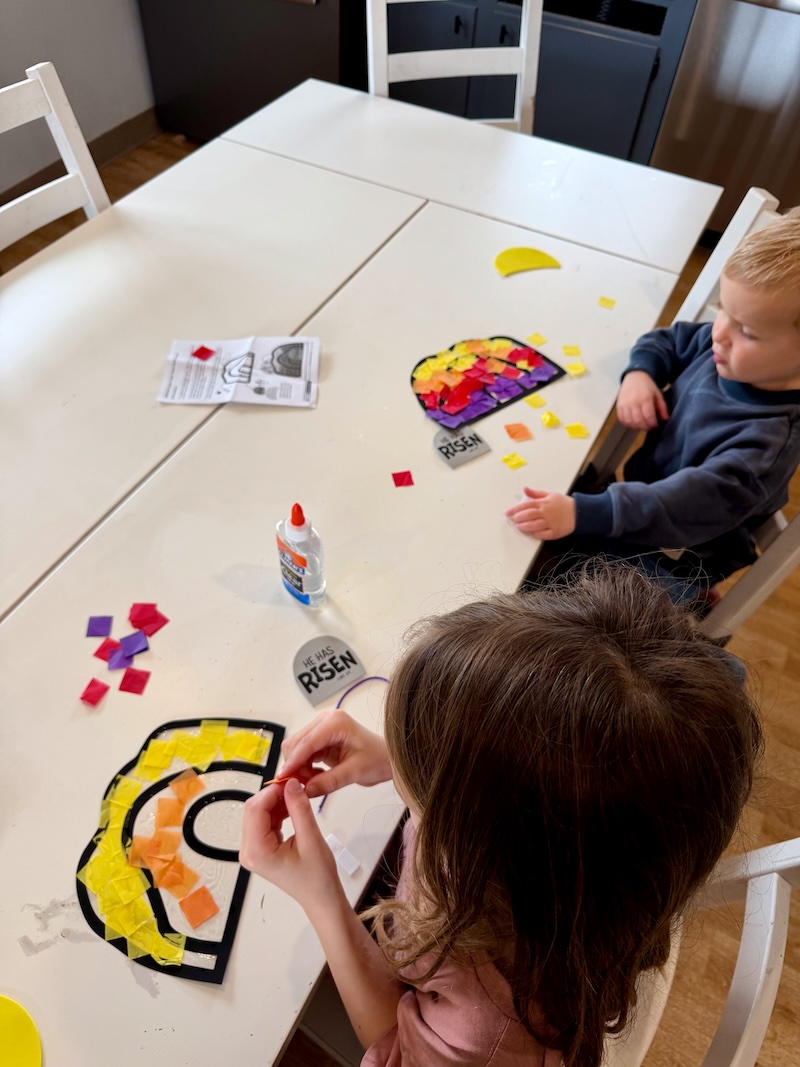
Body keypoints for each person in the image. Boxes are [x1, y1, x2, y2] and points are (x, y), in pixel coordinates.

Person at [239, 567, 763, 1067]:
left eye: (421, 796)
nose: (408, 785)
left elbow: (400, 1050)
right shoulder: (581, 862)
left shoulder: (489, 1032)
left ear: (483, 843)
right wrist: (404, 758)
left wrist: (322, 898)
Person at [506, 206, 800, 604]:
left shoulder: (766, 446)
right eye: (722, 311)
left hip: (671, 558)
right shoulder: (725, 350)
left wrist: (583, 514)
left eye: (746, 330)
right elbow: (667, 340)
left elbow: (678, 508)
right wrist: (640, 374)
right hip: (634, 505)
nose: (719, 333)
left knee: (573, 618)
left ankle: (689, 600)